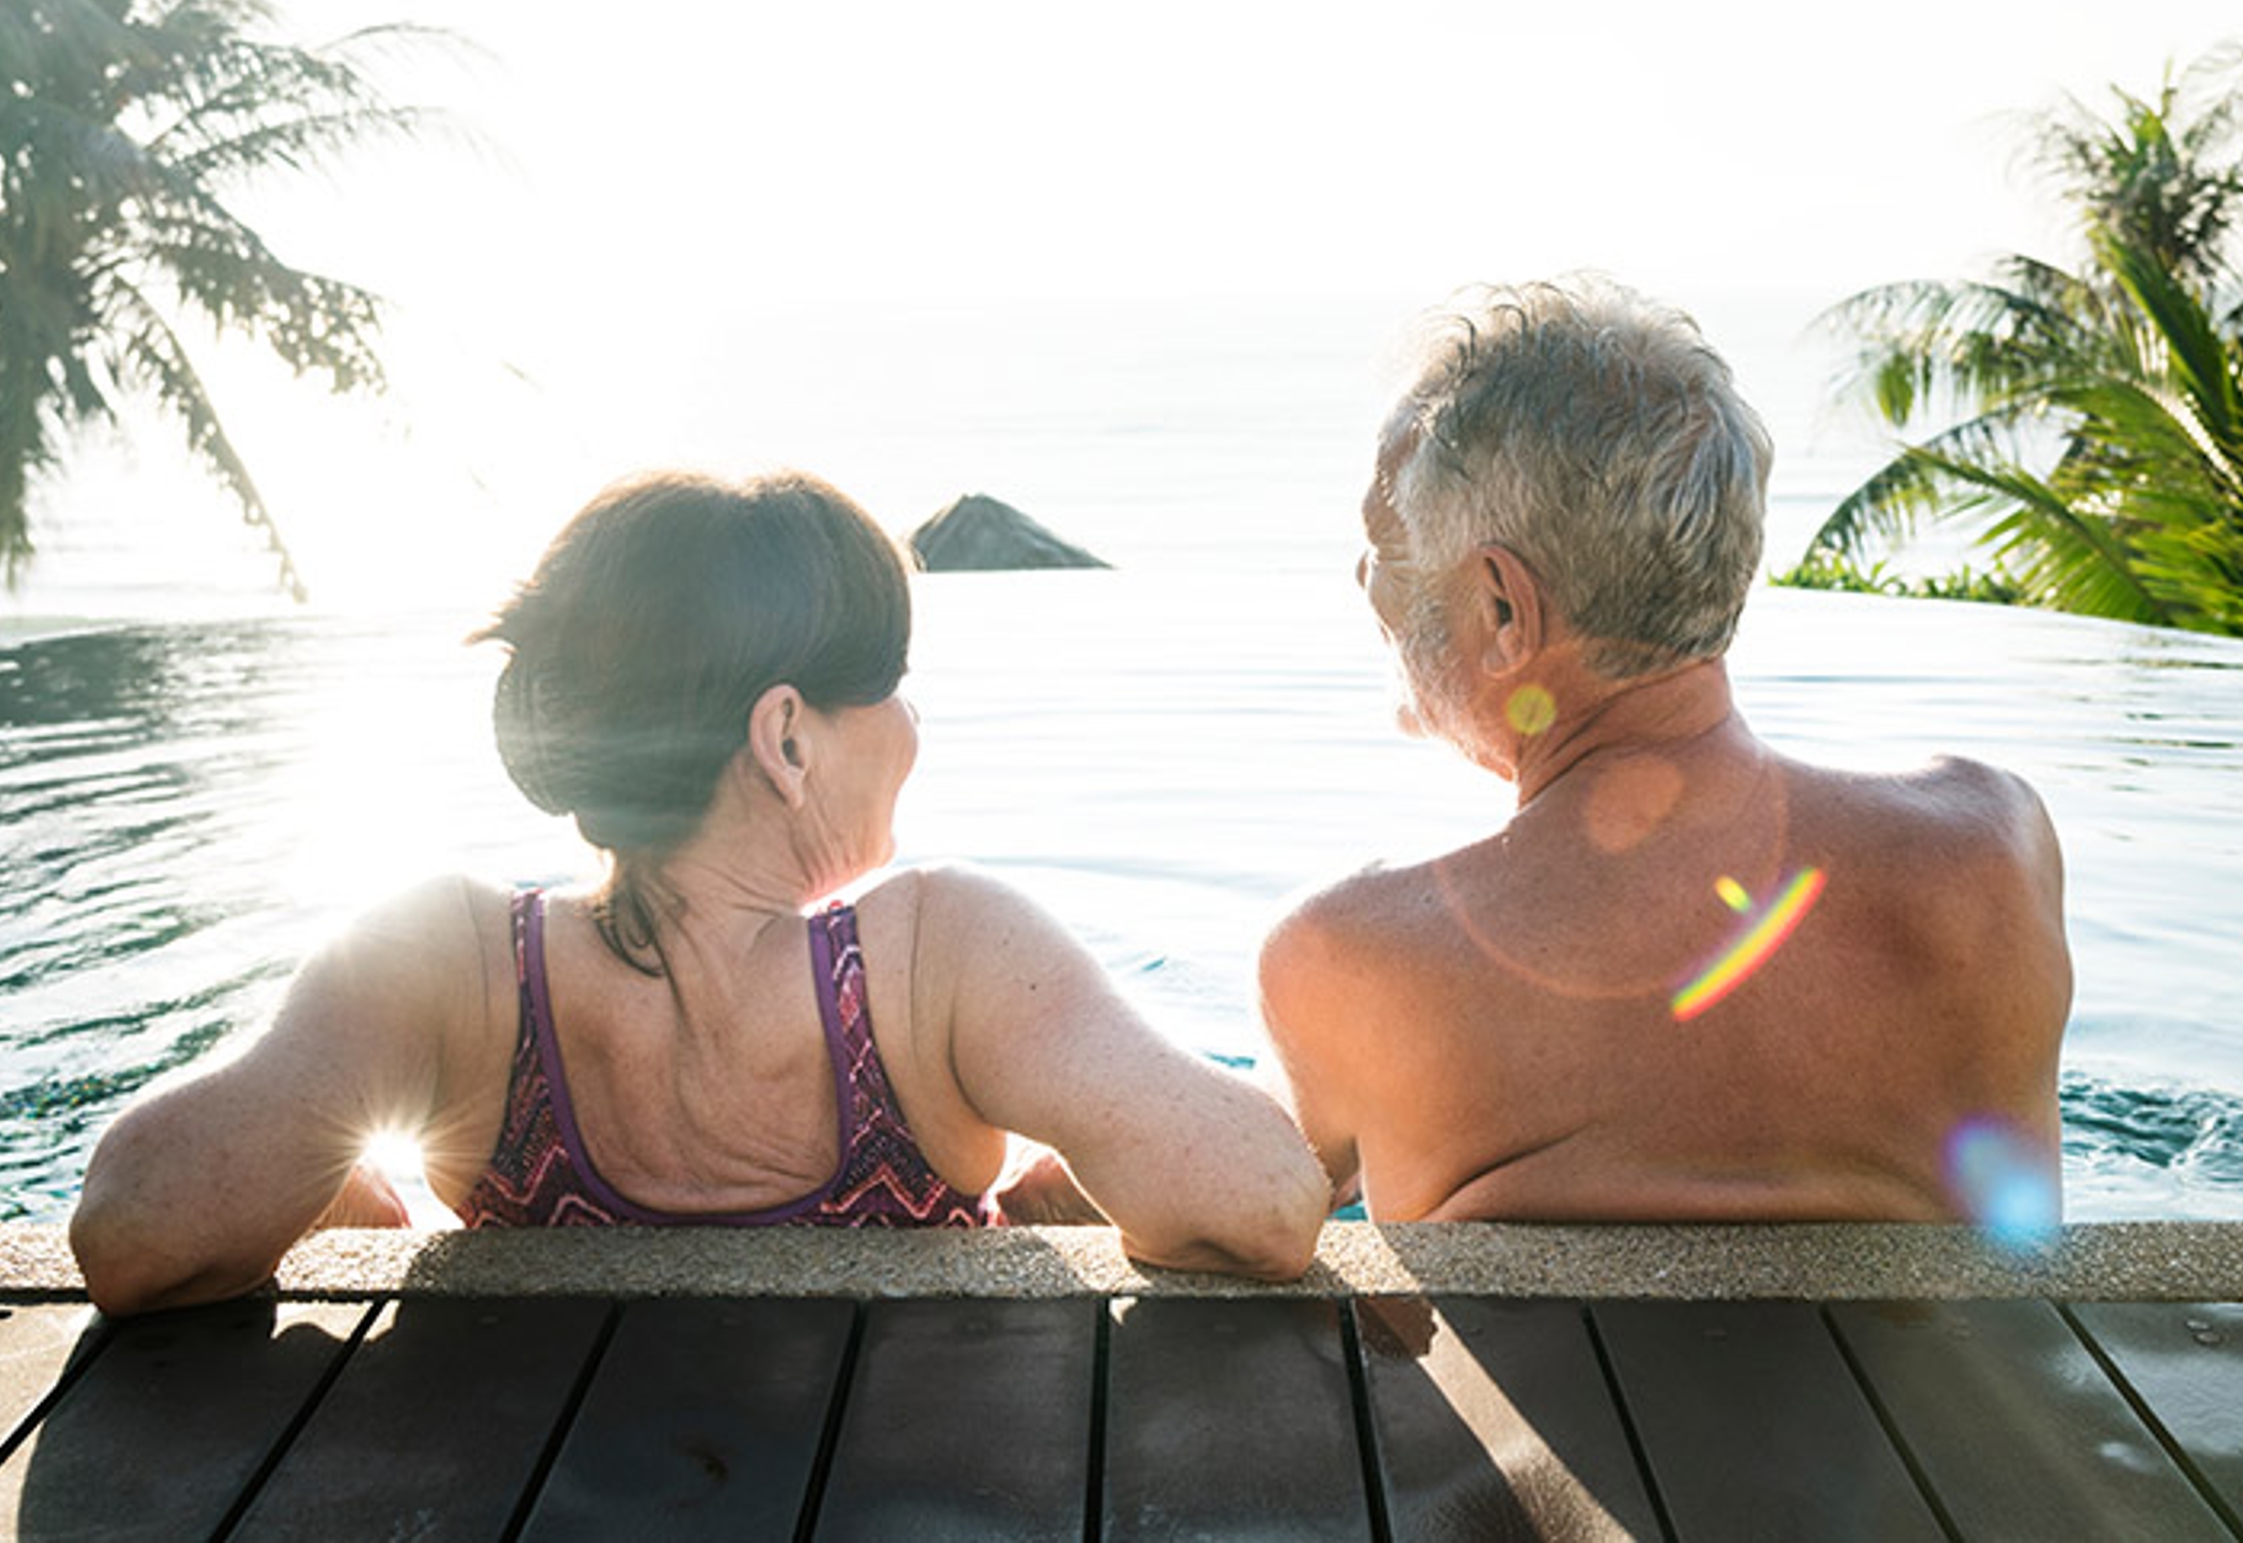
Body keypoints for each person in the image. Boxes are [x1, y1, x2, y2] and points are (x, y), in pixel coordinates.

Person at [73, 469, 1327, 1313]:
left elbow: (137, 1225)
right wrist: (1059, 1179)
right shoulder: (941, 957)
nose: (911, 720)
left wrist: (355, 1213)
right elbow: (1264, 1202)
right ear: (787, 740)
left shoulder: (452, 968)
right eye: (887, 679)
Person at [1258, 278, 2071, 1226]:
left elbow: (1241, 1198)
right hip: (1951, 1377)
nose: (1367, 585)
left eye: (1382, 549)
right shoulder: (1990, 853)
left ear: (1502, 610)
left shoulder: (1353, 957)